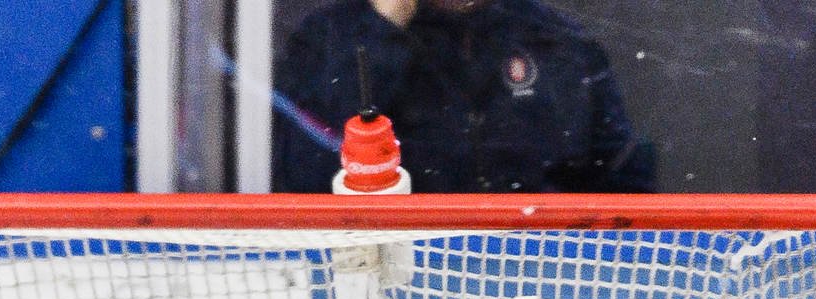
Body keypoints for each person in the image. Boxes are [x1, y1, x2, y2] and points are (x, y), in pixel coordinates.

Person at [273, 0, 656, 195]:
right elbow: (305, 176)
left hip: (537, 289)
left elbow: (623, 181)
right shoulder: (330, 37)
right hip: (390, 294)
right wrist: (381, 30)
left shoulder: (556, 39)